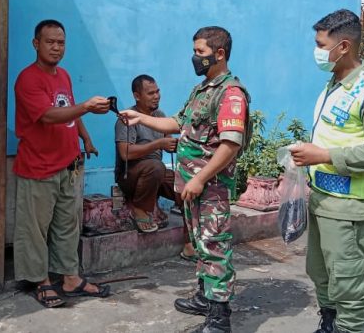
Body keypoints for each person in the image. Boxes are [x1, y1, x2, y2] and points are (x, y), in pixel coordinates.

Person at [121, 26, 249, 333]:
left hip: (210, 186)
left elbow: (230, 145)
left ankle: (219, 318)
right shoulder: (202, 89)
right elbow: (178, 122)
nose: (195, 58)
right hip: (194, 187)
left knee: (214, 245)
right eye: (194, 51)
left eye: (200, 52)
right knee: (200, 243)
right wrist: (141, 118)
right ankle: (206, 297)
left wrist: (200, 178)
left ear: (219, 54)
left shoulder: (230, 94)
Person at [290, 9, 364, 333]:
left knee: (347, 281)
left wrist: (324, 154)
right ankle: (329, 323)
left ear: (344, 46)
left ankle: (347, 328)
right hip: (325, 199)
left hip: (352, 205)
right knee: (320, 272)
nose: (317, 51)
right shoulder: (335, 84)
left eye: (321, 44)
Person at [13, 19, 113, 309]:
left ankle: (70, 276)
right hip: (38, 166)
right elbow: (47, 115)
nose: (56, 47)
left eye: (61, 42)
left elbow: (67, 110)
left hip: (67, 164)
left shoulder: (64, 75)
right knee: (35, 229)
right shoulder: (28, 79)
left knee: (67, 225)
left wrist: (86, 138)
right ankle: (40, 280)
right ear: (36, 44)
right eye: (50, 42)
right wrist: (86, 106)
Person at [114, 74, 196, 259]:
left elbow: (167, 140)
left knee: (187, 188)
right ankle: (140, 208)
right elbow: (125, 153)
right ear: (137, 96)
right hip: (130, 176)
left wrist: (175, 144)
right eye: (150, 93)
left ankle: (189, 244)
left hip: (155, 174)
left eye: (157, 91)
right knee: (155, 166)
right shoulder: (126, 118)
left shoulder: (160, 116)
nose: (156, 96)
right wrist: (157, 145)